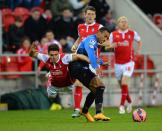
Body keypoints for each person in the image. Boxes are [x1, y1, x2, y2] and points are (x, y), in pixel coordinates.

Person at [68, 26, 111, 122]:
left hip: (80, 66)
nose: (106, 39)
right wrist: (96, 68)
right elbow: (91, 54)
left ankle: (85, 111)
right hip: (78, 66)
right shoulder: (92, 40)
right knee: (100, 86)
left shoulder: (94, 42)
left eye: (107, 38)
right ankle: (98, 113)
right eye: (105, 36)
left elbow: (91, 57)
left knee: (97, 90)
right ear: (99, 33)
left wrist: (101, 63)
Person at [71, 6, 103, 118]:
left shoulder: (99, 27)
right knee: (78, 83)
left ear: (95, 16)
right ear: (85, 15)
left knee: (96, 87)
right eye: (88, 14)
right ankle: (76, 109)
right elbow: (80, 38)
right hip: (81, 59)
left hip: (93, 61)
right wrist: (75, 44)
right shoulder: (80, 26)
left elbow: (104, 41)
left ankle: (91, 111)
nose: (90, 16)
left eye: (92, 14)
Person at [107, 16, 142, 114]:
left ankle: (121, 106)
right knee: (122, 86)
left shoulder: (132, 33)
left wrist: (139, 50)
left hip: (129, 62)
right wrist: (111, 45)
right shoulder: (113, 34)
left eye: (125, 21)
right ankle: (130, 102)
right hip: (118, 64)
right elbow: (107, 46)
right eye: (122, 22)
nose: (124, 23)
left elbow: (139, 41)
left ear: (127, 23)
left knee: (124, 82)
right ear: (118, 24)